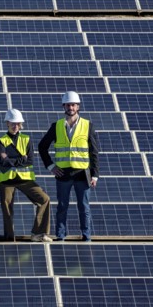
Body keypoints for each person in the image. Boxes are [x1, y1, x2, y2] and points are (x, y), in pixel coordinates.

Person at [38, 91, 99, 242]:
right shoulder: (57, 126)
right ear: (64, 106)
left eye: (73, 105)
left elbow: (94, 152)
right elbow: (42, 147)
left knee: (84, 207)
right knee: (62, 206)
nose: (71, 107)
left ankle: (86, 235)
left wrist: (95, 174)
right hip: (63, 174)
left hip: (82, 174)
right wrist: (50, 166)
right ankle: (60, 235)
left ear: (78, 106)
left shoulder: (88, 125)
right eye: (68, 105)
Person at [0, 109, 51, 242]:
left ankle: (38, 233)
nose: (15, 126)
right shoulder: (2, 140)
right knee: (7, 209)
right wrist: (21, 159)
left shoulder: (26, 139)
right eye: (12, 123)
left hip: (25, 180)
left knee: (44, 199)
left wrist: (11, 160)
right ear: (7, 123)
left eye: (17, 124)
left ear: (21, 125)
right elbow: (2, 161)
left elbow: (30, 160)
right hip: (7, 180)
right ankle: (9, 238)